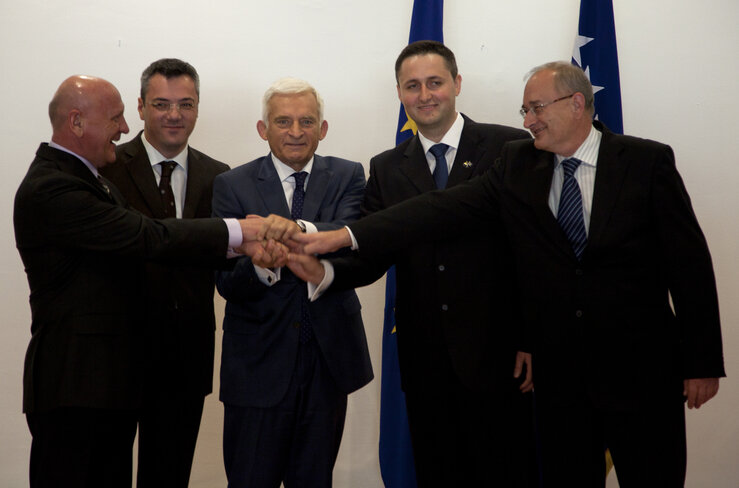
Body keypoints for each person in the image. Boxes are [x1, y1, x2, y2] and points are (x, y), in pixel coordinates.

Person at [286, 61, 725, 487]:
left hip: (642, 373)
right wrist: (342, 236)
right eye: (525, 110)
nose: (528, 121)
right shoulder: (519, 164)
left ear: (576, 103)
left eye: (536, 108)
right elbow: (437, 209)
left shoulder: (645, 162)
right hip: (561, 381)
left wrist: (702, 362)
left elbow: (689, 267)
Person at [13, 75, 277, 488]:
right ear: (77, 122)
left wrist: (242, 249)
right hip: (77, 385)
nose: (122, 129)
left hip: (109, 384)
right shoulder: (55, 187)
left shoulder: (88, 177)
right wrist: (241, 232)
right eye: (116, 118)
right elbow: (148, 236)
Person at [296, 40, 536, 486]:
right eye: (412, 86)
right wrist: (324, 271)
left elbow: (532, 251)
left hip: (500, 356)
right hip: (425, 361)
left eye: (435, 82)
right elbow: (370, 252)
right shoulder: (387, 166)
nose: (424, 94)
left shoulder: (510, 147)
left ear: (457, 84)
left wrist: (530, 337)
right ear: (400, 94)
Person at [212, 77, 373, 488]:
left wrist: (294, 229)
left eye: (307, 121)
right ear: (263, 129)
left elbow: (352, 236)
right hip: (257, 368)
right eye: (283, 122)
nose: (296, 132)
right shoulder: (232, 184)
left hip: (327, 365)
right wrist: (263, 267)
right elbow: (226, 281)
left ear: (323, 128)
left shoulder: (349, 175)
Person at [99, 58, 228, 487]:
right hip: (115, 355)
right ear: (139, 107)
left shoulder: (220, 177)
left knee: (169, 477)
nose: (174, 115)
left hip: (185, 359)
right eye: (161, 104)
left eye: (185, 104)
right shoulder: (106, 168)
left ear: (197, 108)